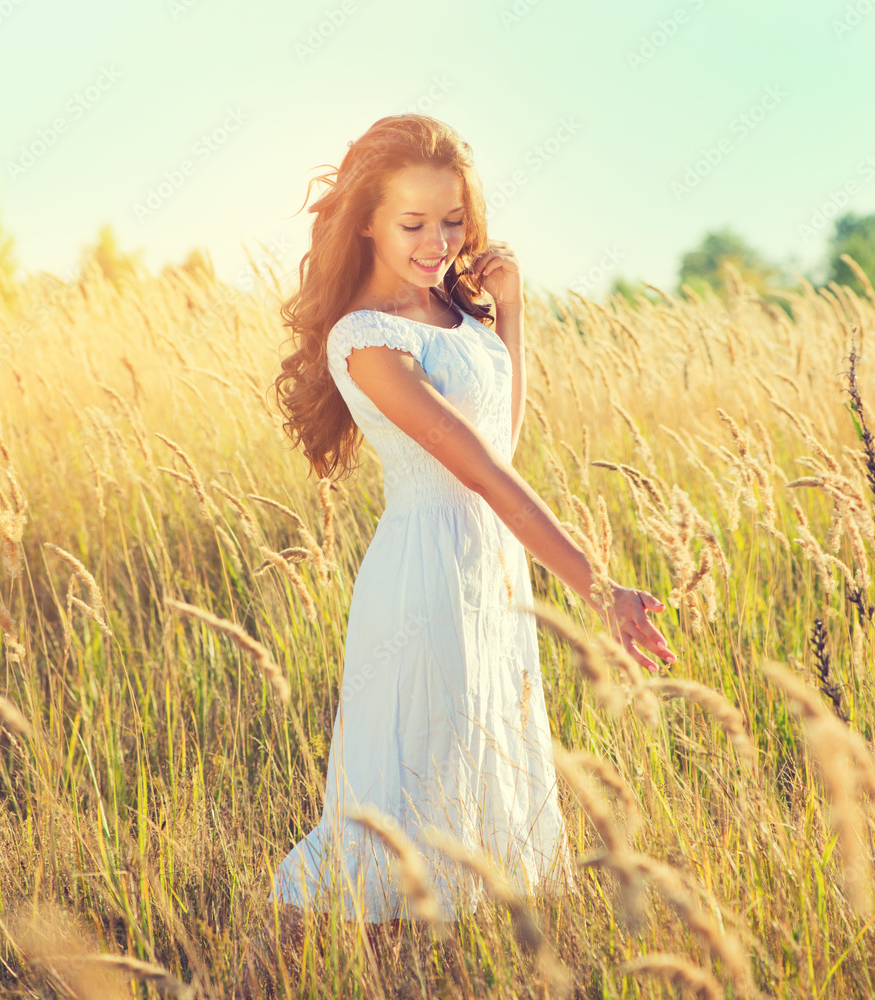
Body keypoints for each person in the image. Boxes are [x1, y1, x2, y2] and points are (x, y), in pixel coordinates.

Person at [267, 114, 675, 928]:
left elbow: (504, 443)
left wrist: (512, 314)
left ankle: (461, 948)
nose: (437, 241)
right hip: (425, 571)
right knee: (421, 761)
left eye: (451, 220)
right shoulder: (366, 340)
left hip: (492, 565)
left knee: (486, 746)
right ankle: (355, 948)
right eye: (413, 223)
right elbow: (483, 473)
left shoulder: (459, 316)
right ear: (368, 222)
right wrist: (599, 590)